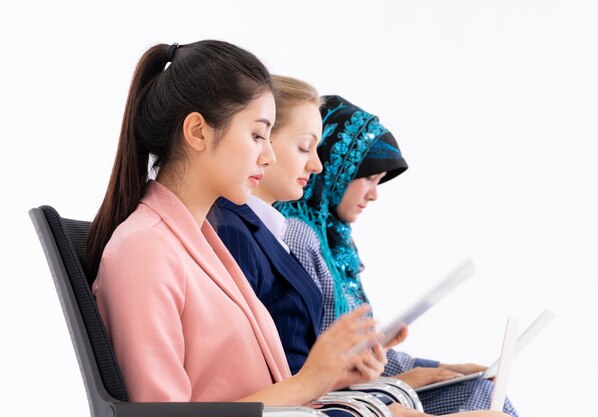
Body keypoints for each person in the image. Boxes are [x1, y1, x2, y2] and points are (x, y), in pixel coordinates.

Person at [86, 41, 392, 407]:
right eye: (257, 135)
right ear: (197, 131)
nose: (269, 155)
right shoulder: (144, 250)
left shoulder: (202, 239)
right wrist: (309, 380)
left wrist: (327, 376)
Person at [213, 77, 509, 416]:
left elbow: (323, 357)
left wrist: (428, 368)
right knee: (478, 400)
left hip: (330, 395)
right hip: (318, 401)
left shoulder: (311, 238)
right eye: (367, 177)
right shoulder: (286, 234)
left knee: (481, 394)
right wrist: (399, 382)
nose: (373, 193)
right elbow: (293, 362)